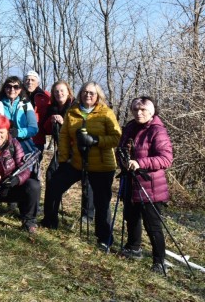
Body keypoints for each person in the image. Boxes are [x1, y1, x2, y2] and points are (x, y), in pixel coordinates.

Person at [41, 81, 121, 249]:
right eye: (84, 92)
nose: (88, 95)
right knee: (54, 186)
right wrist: (63, 159)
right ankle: (49, 222)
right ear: (79, 94)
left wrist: (96, 140)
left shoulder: (106, 113)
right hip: (76, 162)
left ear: (98, 95)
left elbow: (116, 137)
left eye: (92, 92)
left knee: (102, 202)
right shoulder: (73, 112)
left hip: (101, 165)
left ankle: (104, 238)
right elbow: (63, 136)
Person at [118, 97, 173, 275]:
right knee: (131, 216)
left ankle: (159, 261)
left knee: (153, 225)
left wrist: (140, 163)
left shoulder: (158, 131)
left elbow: (166, 159)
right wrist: (123, 161)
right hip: (130, 181)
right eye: (135, 109)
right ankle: (134, 248)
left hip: (151, 185)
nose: (138, 113)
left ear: (152, 111)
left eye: (142, 110)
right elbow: (121, 149)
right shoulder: (130, 127)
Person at [0, 76, 38, 155]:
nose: (12, 89)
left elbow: (33, 129)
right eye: (9, 86)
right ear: (4, 89)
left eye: (16, 87)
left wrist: (18, 133)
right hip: (3, 147)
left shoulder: (26, 105)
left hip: (24, 147)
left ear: (20, 89)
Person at [23, 70, 51, 178]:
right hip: (21, 136)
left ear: (37, 82)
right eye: (27, 80)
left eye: (32, 80)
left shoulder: (45, 96)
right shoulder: (19, 94)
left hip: (37, 138)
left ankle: (35, 188)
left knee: (35, 166)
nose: (29, 82)